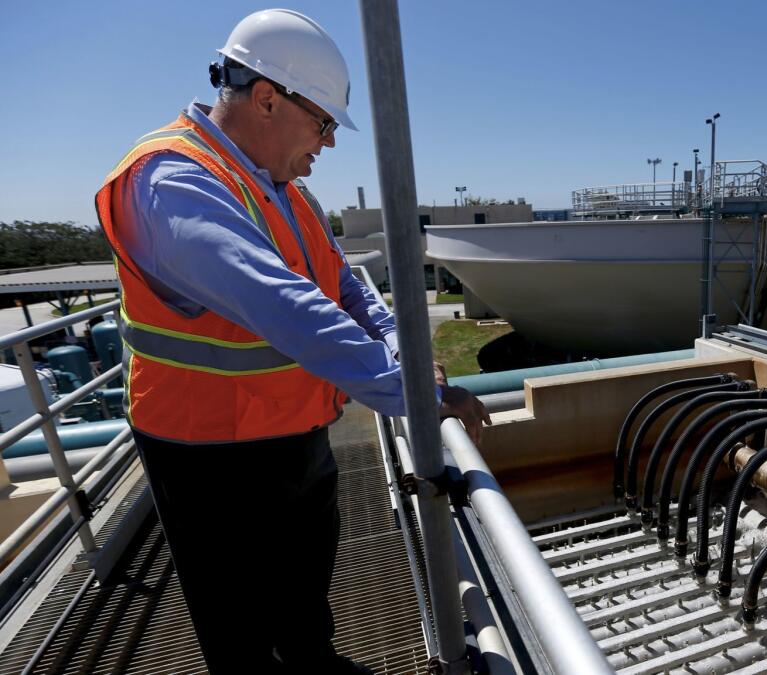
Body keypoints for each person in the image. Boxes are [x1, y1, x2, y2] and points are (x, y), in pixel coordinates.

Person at [94, 9, 488, 674]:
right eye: (324, 122)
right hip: (210, 458)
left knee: (304, 601)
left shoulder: (285, 191)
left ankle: (315, 659)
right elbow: (287, 306)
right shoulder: (170, 181)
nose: (328, 143)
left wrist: (410, 362)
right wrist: (410, 394)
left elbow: (347, 292)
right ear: (267, 99)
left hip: (296, 433)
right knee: (242, 632)